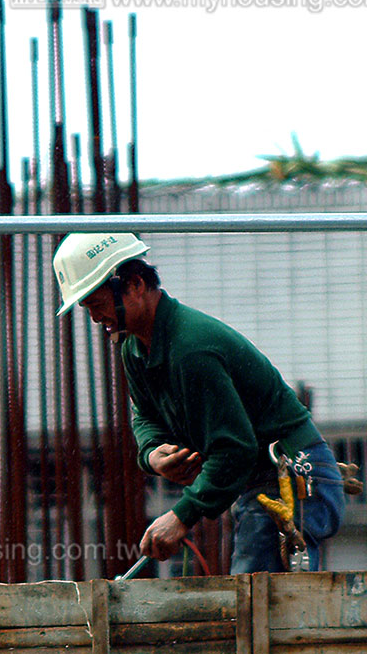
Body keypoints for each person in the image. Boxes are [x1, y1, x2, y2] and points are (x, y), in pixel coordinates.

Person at [53, 232, 345, 573]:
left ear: (134, 285)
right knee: (257, 601)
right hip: (264, 477)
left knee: (256, 602)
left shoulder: (191, 349)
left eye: (97, 304)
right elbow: (145, 415)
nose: (94, 318)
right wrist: (152, 452)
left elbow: (235, 450)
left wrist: (181, 516)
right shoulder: (134, 349)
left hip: (292, 472)